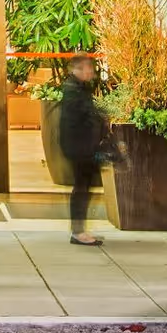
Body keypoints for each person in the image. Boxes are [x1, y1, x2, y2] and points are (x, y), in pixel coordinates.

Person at [59, 53, 107, 245]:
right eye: (88, 68)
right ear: (78, 69)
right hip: (79, 146)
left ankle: (79, 229)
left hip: (82, 145)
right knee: (81, 187)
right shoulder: (73, 90)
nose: (91, 72)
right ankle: (78, 232)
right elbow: (80, 117)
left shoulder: (78, 87)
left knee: (84, 186)